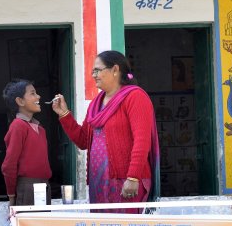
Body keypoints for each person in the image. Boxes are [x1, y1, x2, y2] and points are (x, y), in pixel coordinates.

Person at [51, 50, 159, 212]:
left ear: (115, 70)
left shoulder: (135, 97)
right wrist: (65, 115)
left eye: (97, 70)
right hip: (99, 183)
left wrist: (133, 177)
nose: (94, 75)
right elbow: (82, 141)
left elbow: (142, 141)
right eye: (93, 71)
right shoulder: (96, 103)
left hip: (126, 181)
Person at [1, 79, 52, 206]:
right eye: (32, 93)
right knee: (29, 225)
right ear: (20, 101)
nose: (38, 96)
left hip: (44, 187)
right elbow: (9, 166)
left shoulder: (40, 129)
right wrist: (12, 196)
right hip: (27, 188)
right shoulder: (18, 126)